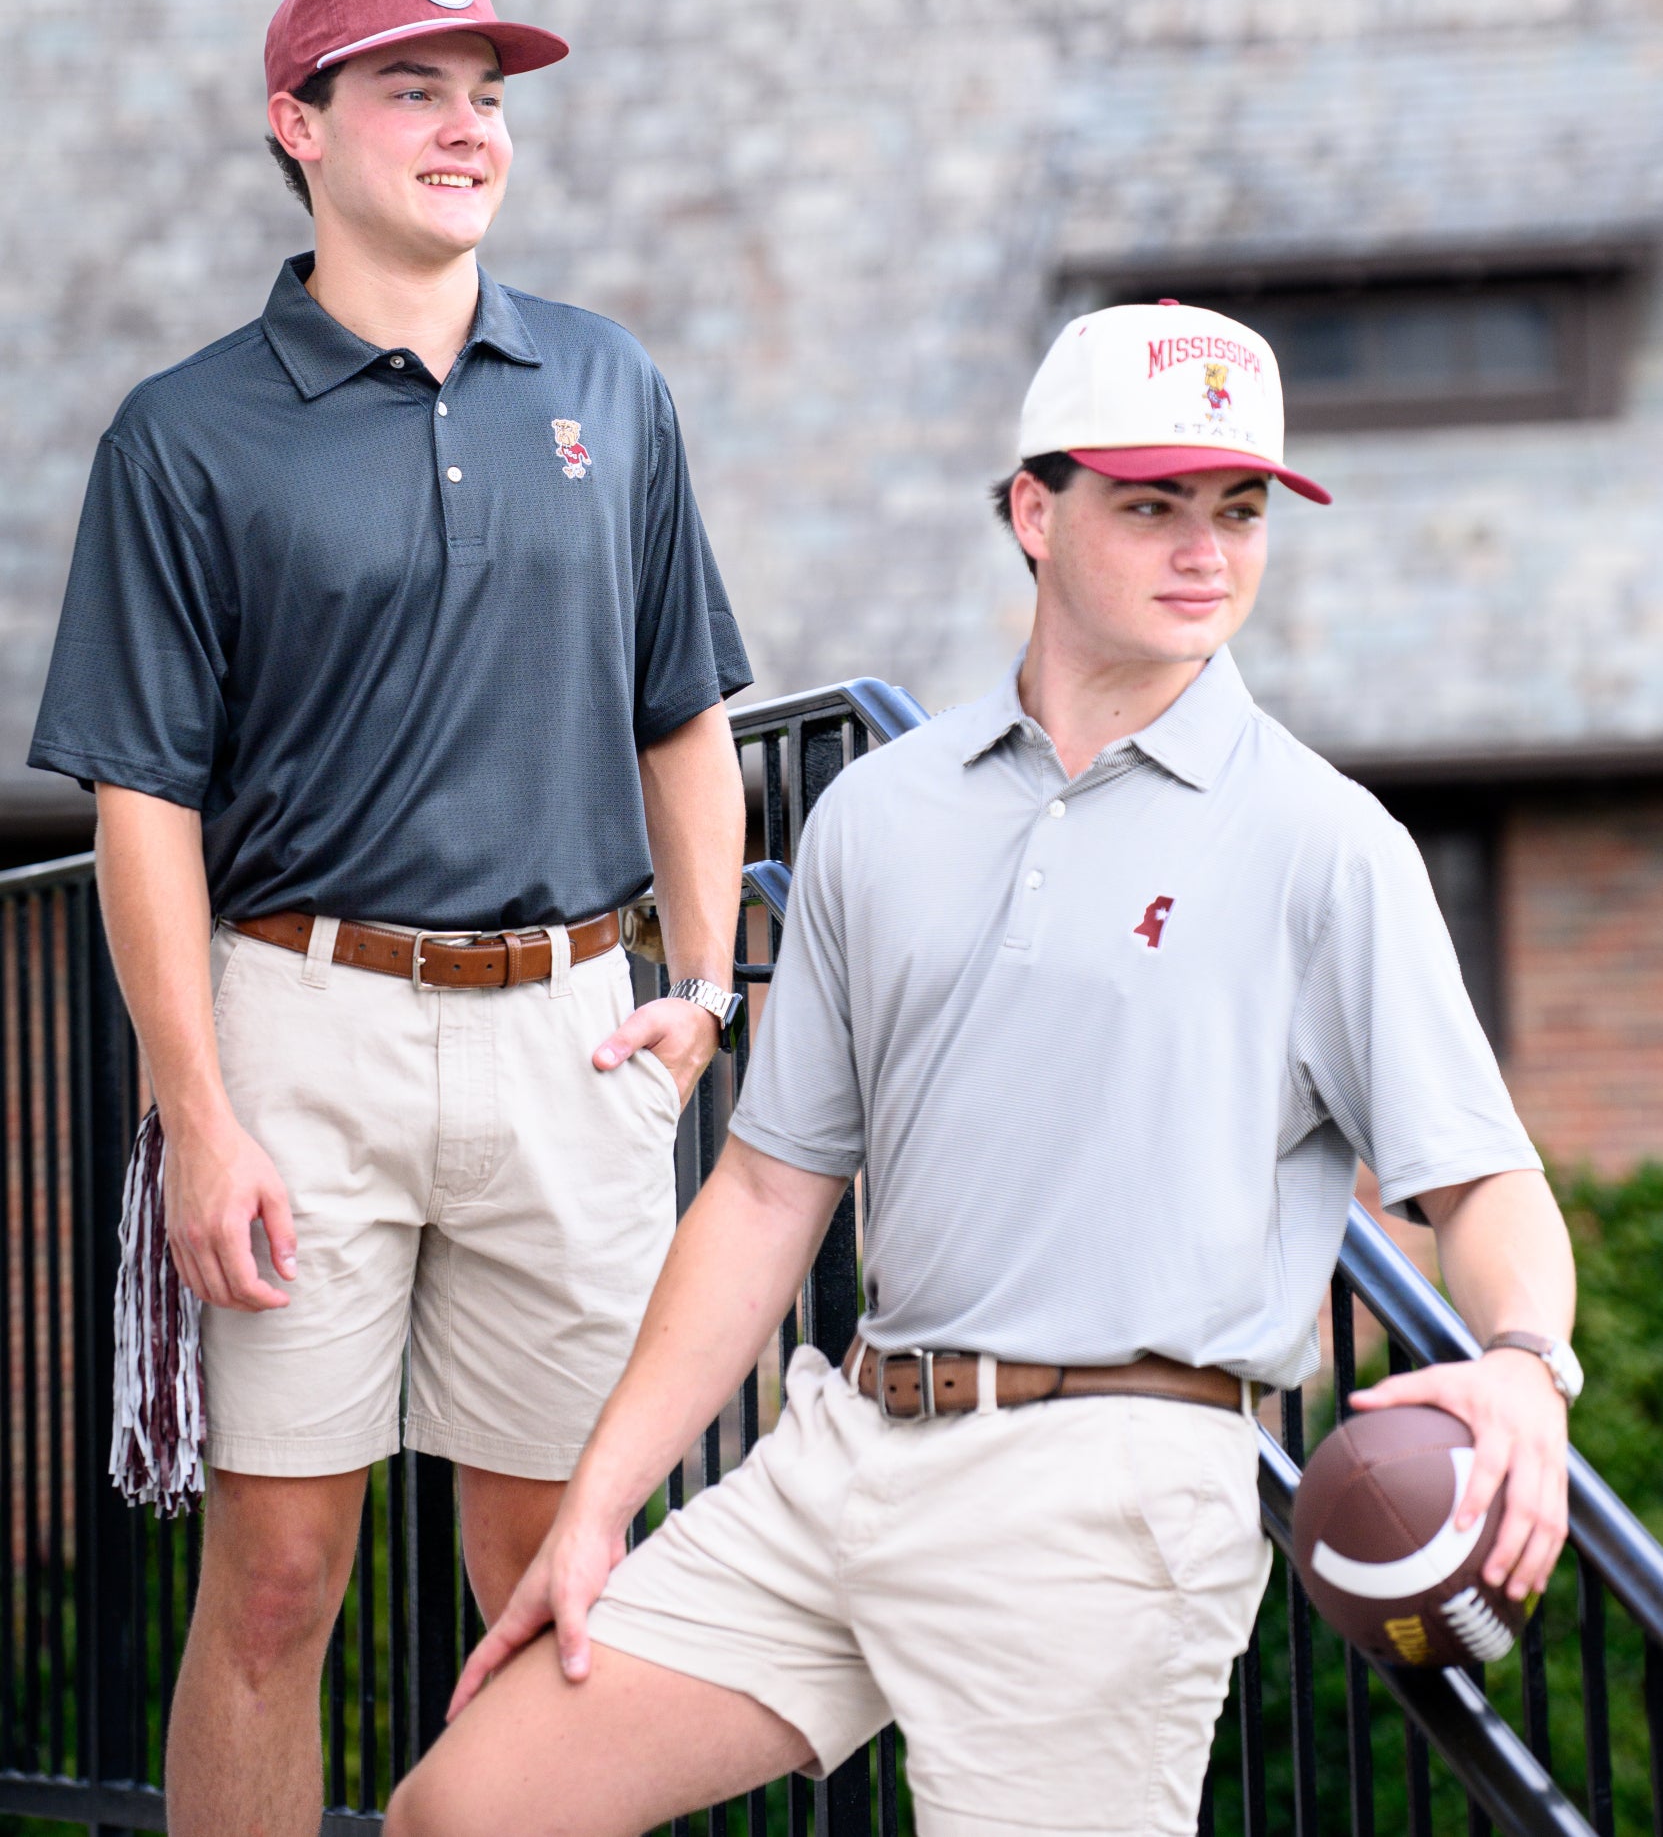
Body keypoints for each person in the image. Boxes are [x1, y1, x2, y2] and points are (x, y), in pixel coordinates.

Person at [385, 298, 1579, 1837]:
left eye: (1238, 509)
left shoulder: (1324, 844)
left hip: (1108, 1499)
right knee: (467, 1811)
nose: (1206, 549)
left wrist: (1525, 1368)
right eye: (1152, 507)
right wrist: (603, 1497)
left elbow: (1481, 1182)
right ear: (1033, 510)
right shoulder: (881, 815)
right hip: (846, 1450)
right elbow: (763, 1188)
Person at [28, 0, 753, 1837]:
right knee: (275, 1583)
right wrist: (198, 1117)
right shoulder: (187, 432)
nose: (465, 130)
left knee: (558, 1585)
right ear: (301, 126)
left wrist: (703, 993)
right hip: (302, 1049)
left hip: (579, 1049)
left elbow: (686, 720)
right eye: (414, 90)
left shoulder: (609, 386)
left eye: (488, 97)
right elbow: (144, 806)